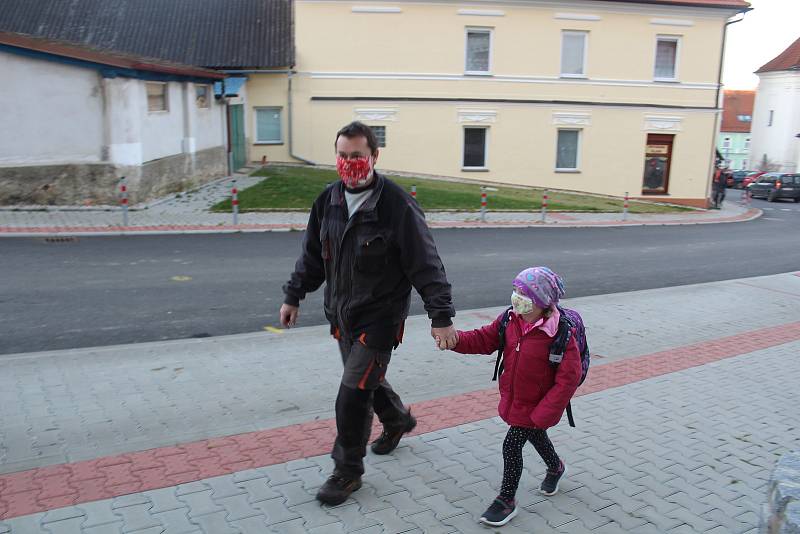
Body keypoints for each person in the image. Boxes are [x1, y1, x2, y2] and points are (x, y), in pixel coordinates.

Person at [280, 121, 458, 506]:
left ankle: (347, 472)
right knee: (364, 382)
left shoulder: (396, 205)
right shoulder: (327, 201)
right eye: (342, 156)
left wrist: (440, 317)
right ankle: (397, 420)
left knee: (352, 396)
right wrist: (294, 296)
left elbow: (425, 264)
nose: (349, 163)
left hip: (380, 318)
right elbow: (312, 256)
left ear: (374, 157)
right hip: (342, 316)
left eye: (357, 156)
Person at [443, 267, 581, 527]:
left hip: (539, 405)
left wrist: (545, 413)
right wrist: (456, 340)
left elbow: (568, 379)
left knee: (512, 444)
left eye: (523, 293)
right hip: (517, 399)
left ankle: (506, 500)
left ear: (540, 301)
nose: (516, 297)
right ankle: (556, 466)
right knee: (535, 434)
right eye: (516, 290)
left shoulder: (560, 332)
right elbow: (484, 339)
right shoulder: (510, 319)